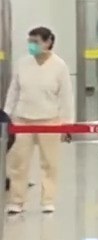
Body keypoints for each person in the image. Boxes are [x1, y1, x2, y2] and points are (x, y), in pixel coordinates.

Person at [3, 27, 73, 214]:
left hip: (49, 120)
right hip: (22, 120)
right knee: (18, 163)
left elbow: (66, 97)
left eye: (36, 41)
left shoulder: (59, 66)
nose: (31, 45)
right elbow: (13, 91)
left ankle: (47, 200)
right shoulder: (22, 63)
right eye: (30, 41)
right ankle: (17, 200)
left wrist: (67, 124)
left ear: (48, 42)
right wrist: (6, 116)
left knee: (50, 163)